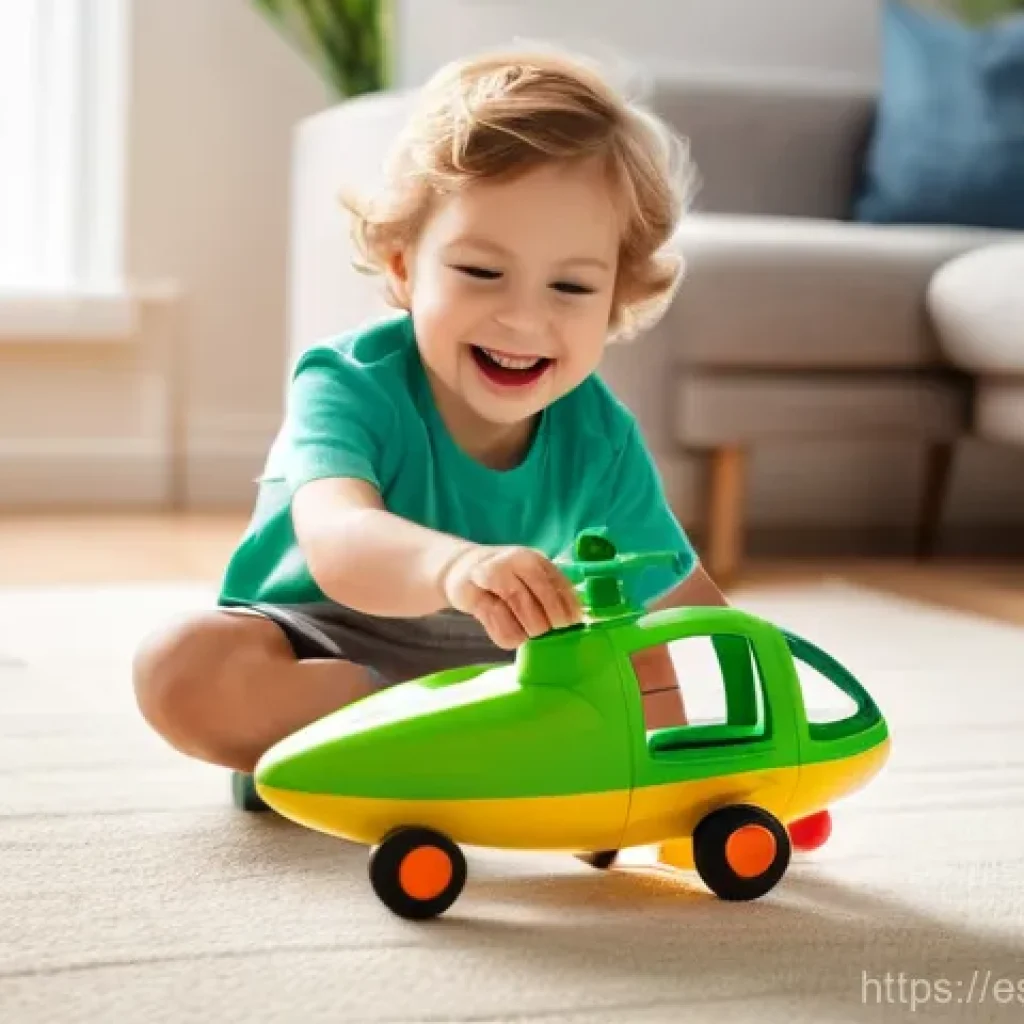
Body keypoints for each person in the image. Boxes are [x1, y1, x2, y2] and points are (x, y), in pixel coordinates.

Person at [132, 44, 729, 783]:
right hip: (326, 643)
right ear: (403, 268)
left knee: (639, 662)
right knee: (179, 666)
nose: (522, 318)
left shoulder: (601, 437)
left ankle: (447, 752)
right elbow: (339, 541)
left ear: (615, 301)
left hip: (506, 669)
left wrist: (730, 746)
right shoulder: (347, 384)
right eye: (481, 272)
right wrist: (458, 567)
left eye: (571, 288)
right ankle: (393, 737)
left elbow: (682, 605)